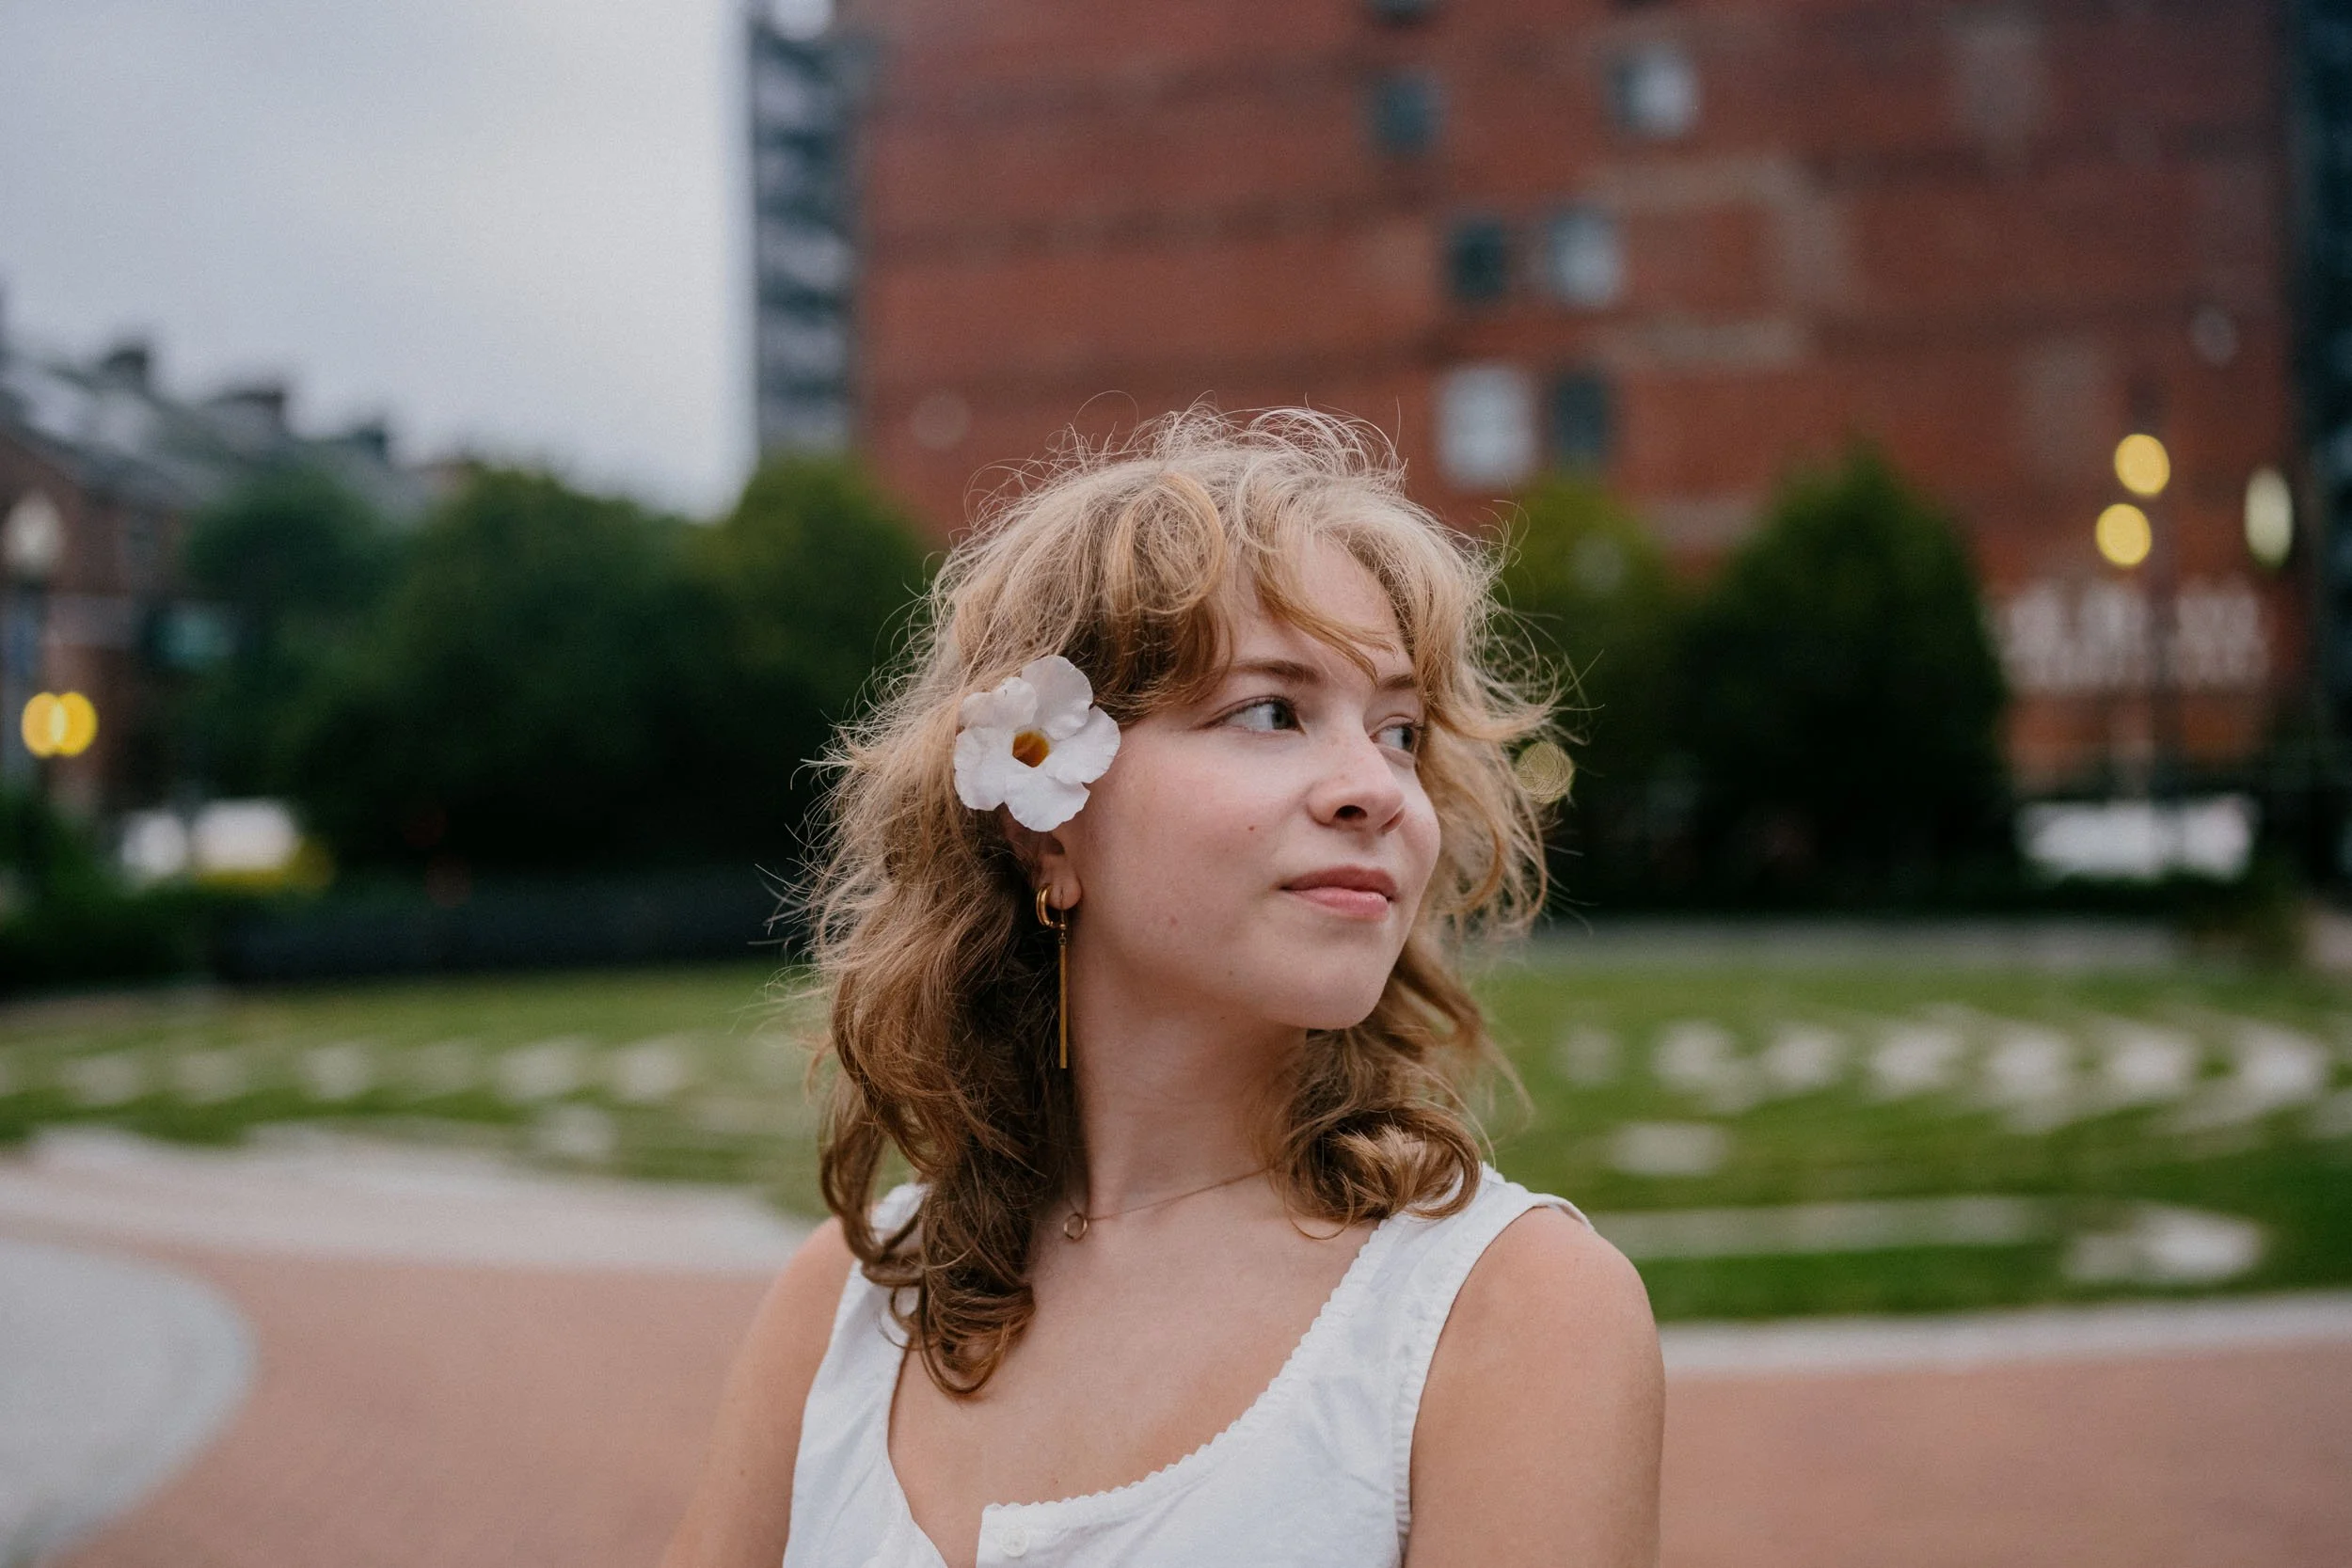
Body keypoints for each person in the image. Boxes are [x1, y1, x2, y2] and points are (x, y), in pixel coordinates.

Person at [661, 409, 1661, 1568]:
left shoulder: (1513, 1313)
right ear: (1044, 827)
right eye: (1272, 710)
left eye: (1399, 728)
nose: (1375, 788)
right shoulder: (841, 1304)